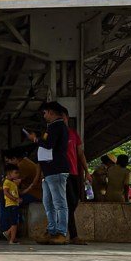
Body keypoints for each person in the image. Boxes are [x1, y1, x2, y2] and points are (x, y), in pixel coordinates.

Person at [36, 101, 70, 245]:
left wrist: (35, 139)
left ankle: (61, 232)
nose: (44, 116)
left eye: (44, 113)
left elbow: (49, 144)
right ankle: (52, 230)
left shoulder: (57, 126)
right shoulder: (53, 127)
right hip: (49, 171)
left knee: (59, 203)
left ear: (50, 112)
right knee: (48, 203)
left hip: (56, 169)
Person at [62, 108, 89, 246]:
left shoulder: (73, 134)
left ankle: (68, 233)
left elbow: (80, 153)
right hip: (62, 173)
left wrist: (87, 171)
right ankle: (72, 235)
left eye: (62, 117)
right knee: (68, 203)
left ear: (67, 118)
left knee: (73, 202)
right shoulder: (54, 134)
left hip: (74, 173)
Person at [1, 164, 21, 244]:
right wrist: (15, 199)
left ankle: (11, 236)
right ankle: (11, 239)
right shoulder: (7, 182)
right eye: (15, 173)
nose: (17, 175)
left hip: (14, 204)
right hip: (11, 204)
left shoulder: (12, 182)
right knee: (14, 223)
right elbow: (5, 192)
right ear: (9, 173)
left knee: (14, 223)